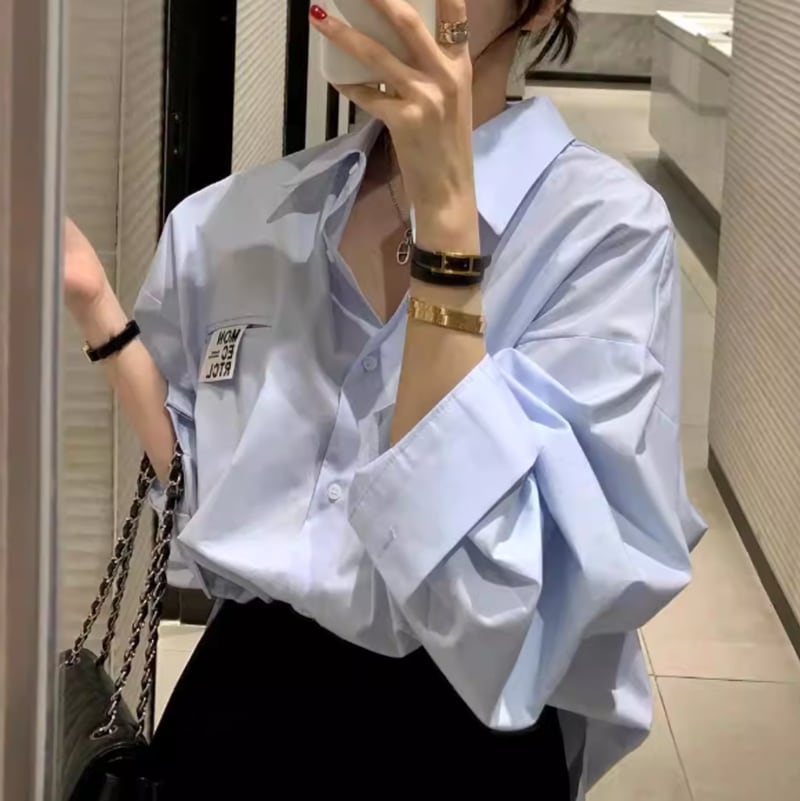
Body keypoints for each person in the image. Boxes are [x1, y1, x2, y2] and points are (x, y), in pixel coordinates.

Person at [64, 0, 705, 798]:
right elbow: (198, 484)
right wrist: (96, 307)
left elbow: (503, 596)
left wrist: (447, 237)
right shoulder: (241, 219)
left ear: (540, 8)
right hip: (240, 702)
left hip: (464, 731)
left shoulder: (602, 235)